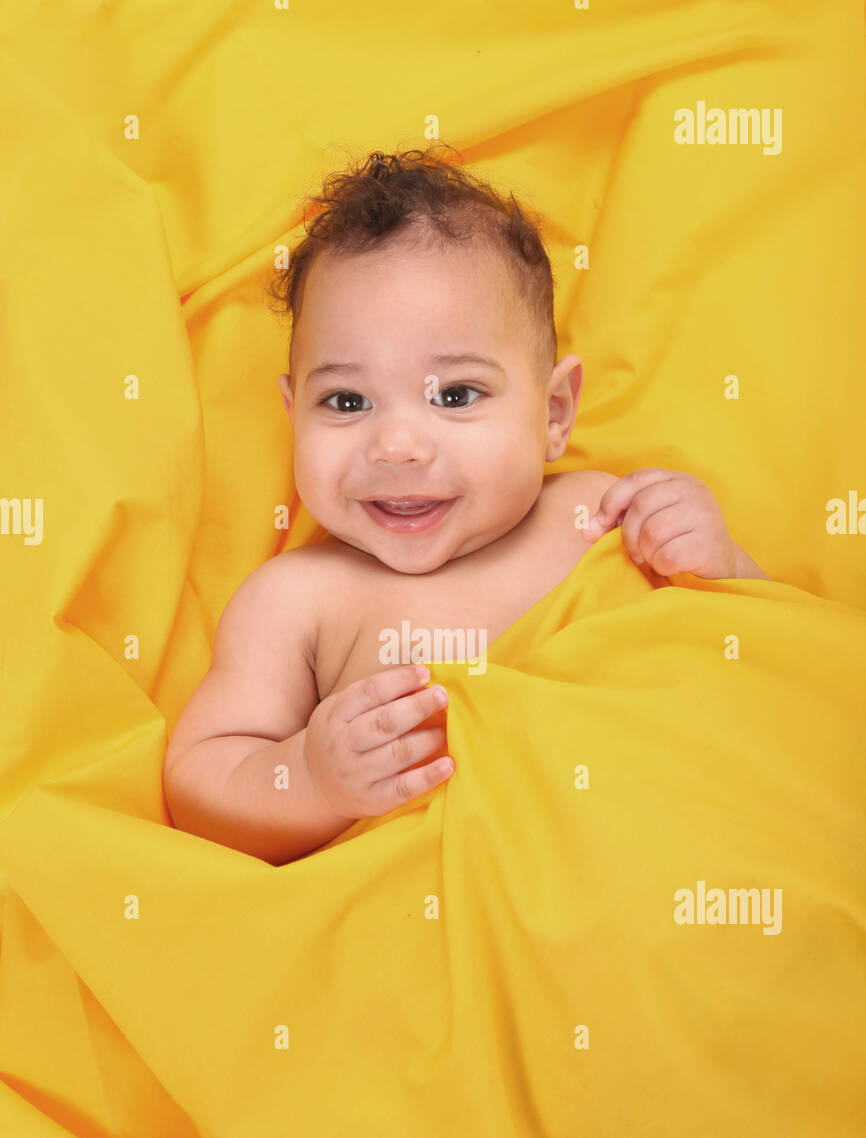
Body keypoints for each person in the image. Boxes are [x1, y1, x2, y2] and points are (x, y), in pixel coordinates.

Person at [163, 144, 770, 864]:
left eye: (454, 395)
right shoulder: (296, 602)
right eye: (347, 401)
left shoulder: (601, 512)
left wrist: (720, 563)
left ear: (554, 414)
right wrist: (313, 781)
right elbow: (200, 782)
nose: (396, 445)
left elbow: (753, 669)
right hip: (452, 909)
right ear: (295, 416)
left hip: (663, 854)